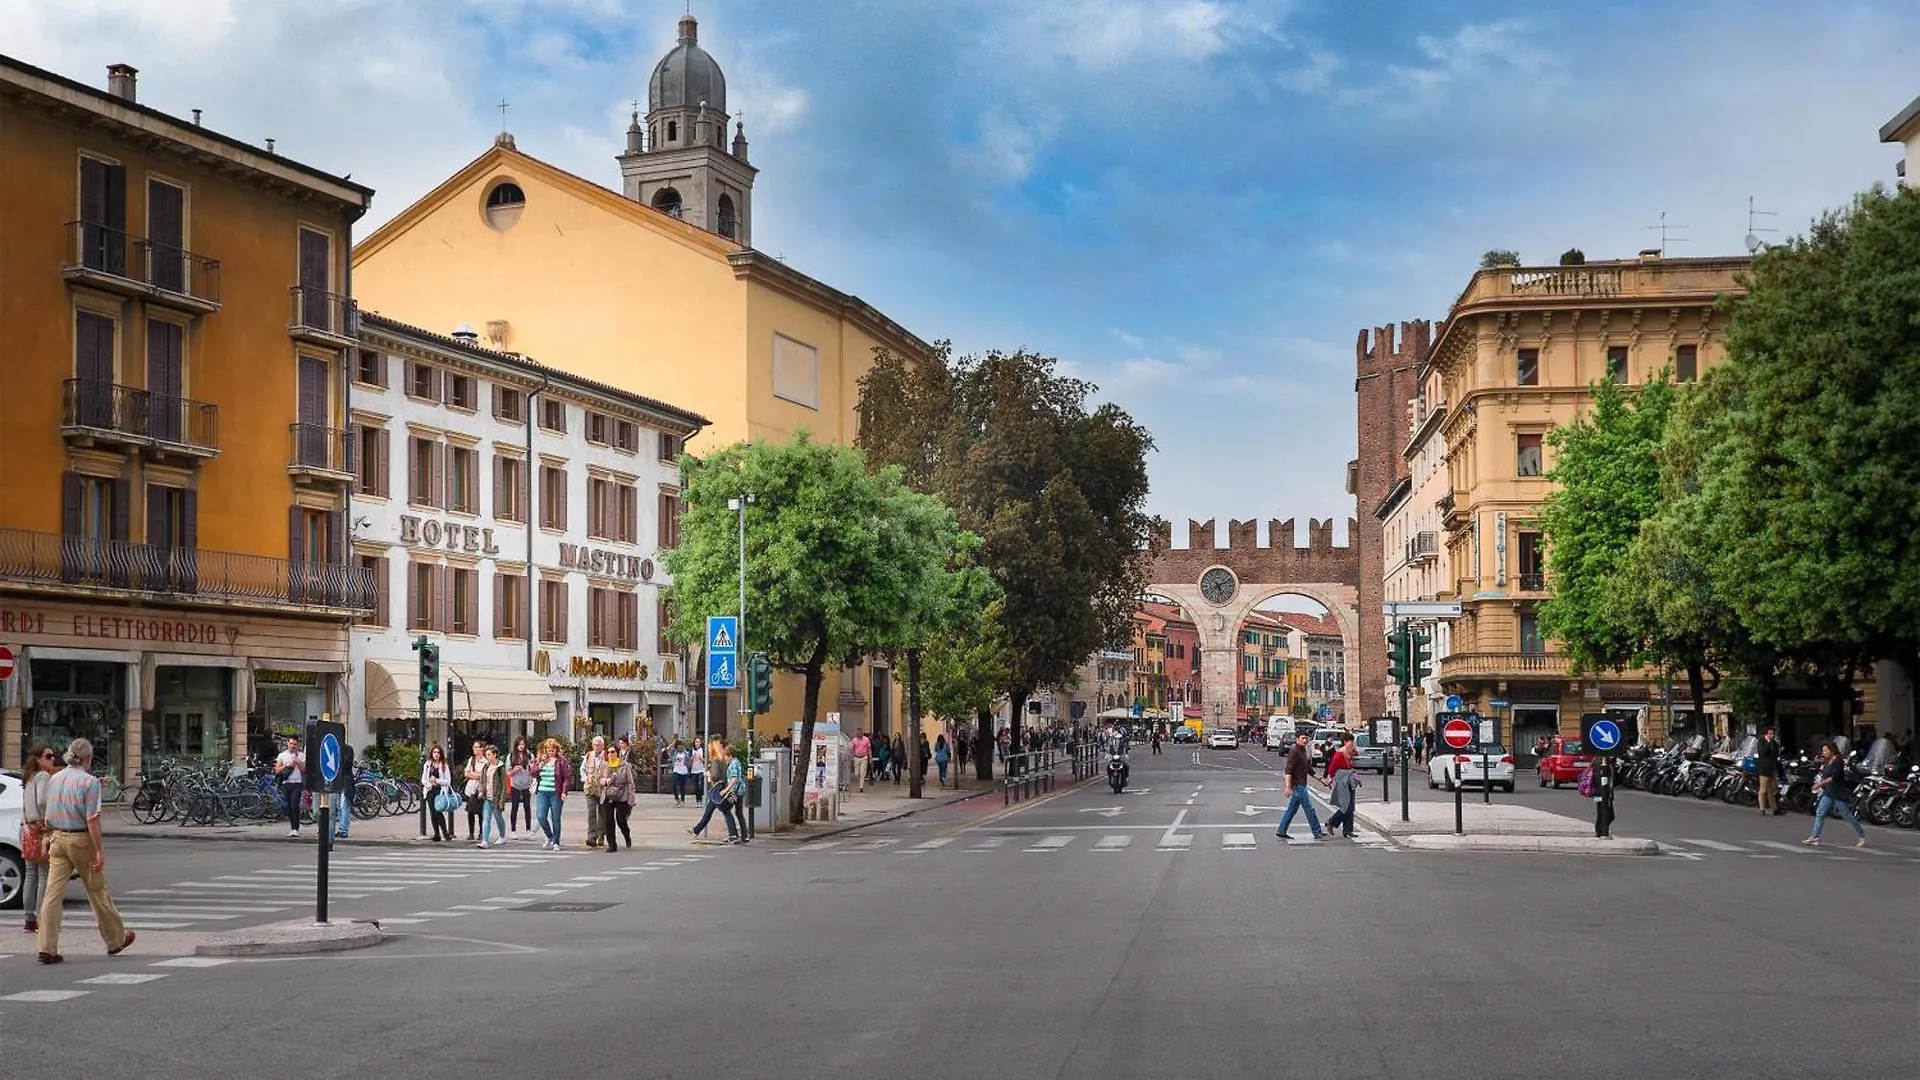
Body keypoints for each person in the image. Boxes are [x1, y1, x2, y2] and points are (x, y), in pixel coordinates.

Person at [35, 739, 134, 965]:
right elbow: (92, 819)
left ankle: (46, 947)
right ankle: (116, 939)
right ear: (88, 758)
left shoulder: (55, 778)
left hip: (57, 837)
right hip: (81, 839)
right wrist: (99, 850)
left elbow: (49, 810)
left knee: (52, 894)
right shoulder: (89, 783)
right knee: (97, 890)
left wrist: (47, 837)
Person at [18, 743, 57, 934]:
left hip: (27, 828)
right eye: (48, 756)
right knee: (43, 874)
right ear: (38, 758)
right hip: (41, 829)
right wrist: (49, 818)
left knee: (30, 874)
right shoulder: (43, 776)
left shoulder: (29, 777)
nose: (52, 759)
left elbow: (26, 805)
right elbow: (42, 801)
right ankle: (42, 917)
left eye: (53, 756)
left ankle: (29, 918)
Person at [1804, 740, 1867, 847]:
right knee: (1820, 813)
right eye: (1823, 751)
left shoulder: (1838, 762)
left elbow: (1833, 778)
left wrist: (1819, 784)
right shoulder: (1827, 761)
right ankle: (1815, 837)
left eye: (1825, 750)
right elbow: (1824, 774)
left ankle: (1861, 835)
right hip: (1828, 793)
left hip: (1838, 794)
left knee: (1847, 815)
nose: (1823, 753)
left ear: (1832, 750)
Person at [1275, 732, 1327, 842]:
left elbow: (1309, 769)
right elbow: (1288, 770)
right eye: (1303, 738)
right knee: (1309, 809)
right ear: (1297, 739)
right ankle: (1317, 832)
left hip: (1301, 784)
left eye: (1306, 738)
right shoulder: (1294, 751)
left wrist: (1322, 779)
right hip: (1298, 785)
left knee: (1292, 810)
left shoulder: (1302, 750)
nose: (1305, 740)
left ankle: (1281, 830)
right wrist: (1287, 787)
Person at [687, 739, 732, 842]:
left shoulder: (716, 760)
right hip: (720, 787)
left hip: (716, 788)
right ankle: (696, 830)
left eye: (710, 748)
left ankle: (733, 834)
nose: (708, 750)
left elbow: (715, 775)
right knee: (710, 811)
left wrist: (708, 775)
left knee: (724, 811)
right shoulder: (722, 760)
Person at [532, 738, 571, 851]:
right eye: (548, 750)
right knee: (541, 816)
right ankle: (550, 836)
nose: (550, 752)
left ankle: (556, 842)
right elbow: (533, 773)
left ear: (556, 749)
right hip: (542, 792)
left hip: (555, 793)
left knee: (555, 818)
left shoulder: (561, 761)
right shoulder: (541, 760)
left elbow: (566, 778)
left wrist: (564, 791)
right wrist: (540, 765)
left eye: (553, 749)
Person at [1322, 733, 1361, 839]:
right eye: (1351, 742)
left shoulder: (1349, 753)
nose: (1352, 744)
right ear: (1345, 742)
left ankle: (1348, 829)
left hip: (1349, 781)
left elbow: (1355, 755)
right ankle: (1331, 822)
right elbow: (1331, 769)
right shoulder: (1339, 754)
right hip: (1342, 782)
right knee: (1346, 806)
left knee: (1351, 806)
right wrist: (1331, 780)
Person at [600, 746, 635, 853]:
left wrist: (631, 799)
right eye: (608, 752)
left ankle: (626, 834)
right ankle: (612, 844)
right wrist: (604, 780)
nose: (610, 754)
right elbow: (599, 778)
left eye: (612, 752)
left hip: (622, 794)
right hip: (608, 794)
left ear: (617, 753)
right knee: (608, 820)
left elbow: (630, 782)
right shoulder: (604, 765)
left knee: (620, 819)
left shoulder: (625, 765)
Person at [421, 744, 455, 842]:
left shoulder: (444, 765)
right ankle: (436, 834)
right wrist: (428, 784)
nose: (436, 754)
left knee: (438, 811)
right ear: (432, 753)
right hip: (430, 790)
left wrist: (437, 780)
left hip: (440, 791)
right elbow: (423, 779)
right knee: (432, 813)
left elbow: (448, 781)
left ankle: (445, 833)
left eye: (438, 753)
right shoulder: (427, 765)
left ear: (441, 754)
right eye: (434, 752)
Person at [274, 735, 305, 838]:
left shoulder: (301, 755)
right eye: (291, 743)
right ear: (287, 743)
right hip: (286, 783)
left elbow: (304, 769)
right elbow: (277, 770)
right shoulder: (282, 755)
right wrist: (286, 766)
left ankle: (295, 828)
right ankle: (292, 827)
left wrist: (298, 762)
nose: (292, 746)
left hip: (297, 783)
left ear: (297, 745)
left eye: (294, 744)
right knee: (289, 806)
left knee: (294, 805)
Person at [477, 745, 507, 849]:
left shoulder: (500, 768)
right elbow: (482, 781)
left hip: (496, 798)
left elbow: (504, 786)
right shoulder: (486, 767)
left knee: (498, 818)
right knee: (486, 819)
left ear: (495, 755)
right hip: (487, 797)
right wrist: (481, 791)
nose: (487, 756)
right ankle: (485, 841)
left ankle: (502, 836)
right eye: (486, 754)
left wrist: (502, 801)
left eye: (489, 754)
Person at [581, 736, 608, 849]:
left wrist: (607, 780)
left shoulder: (607, 756)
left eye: (598, 745)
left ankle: (601, 835)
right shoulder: (588, 756)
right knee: (591, 812)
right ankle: (592, 837)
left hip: (602, 790)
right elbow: (582, 769)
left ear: (602, 746)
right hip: (590, 789)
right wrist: (585, 778)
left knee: (602, 813)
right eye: (595, 745)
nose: (596, 747)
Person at [719, 742, 748, 844]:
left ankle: (733, 835)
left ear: (730, 755)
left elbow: (734, 779)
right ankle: (745, 835)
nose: (725, 759)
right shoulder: (737, 762)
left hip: (734, 792)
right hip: (739, 791)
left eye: (726, 756)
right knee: (739, 813)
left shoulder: (733, 764)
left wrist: (725, 790)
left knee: (725, 809)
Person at [507, 738, 535, 839]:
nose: (521, 746)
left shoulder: (530, 755)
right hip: (515, 784)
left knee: (527, 807)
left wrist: (531, 766)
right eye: (519, 744)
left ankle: (528, 830)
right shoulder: (511, 756)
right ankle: (513, 830)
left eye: (523, 744)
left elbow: (534, 770)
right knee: (514, 807)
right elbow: (508, 773)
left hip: (526, 784)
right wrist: (514, 771)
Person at [462, 741, 487, 842]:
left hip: (480, 789)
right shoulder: (471, 760)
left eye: (477, 747)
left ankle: (481, 833)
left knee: (480, 812)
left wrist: (474, 774)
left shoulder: (485, 761)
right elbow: (466, 773)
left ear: (482, 748)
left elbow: (485, 775)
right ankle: (471, 833)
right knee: (470, 810)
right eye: (474, 747)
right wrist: (476, 775)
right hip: (470, 788)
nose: (474, 749)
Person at [1756, 726, 1783, 816]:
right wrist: (1768, 743)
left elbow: (1776, 757)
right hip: (1764, 769)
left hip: (1772, 770)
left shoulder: (1774, 743)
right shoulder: (1761, 742)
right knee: (1763, 790)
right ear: (1766, 734)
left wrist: (1779, 770)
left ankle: (1774, 808)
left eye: (1773, 734)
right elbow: (1762, 752)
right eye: (1770, 734)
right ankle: (1762, 808)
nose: (1772, 736)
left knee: (1772, 790)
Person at [669, 738, 693, 805]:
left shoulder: (686, 753)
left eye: (681, 746)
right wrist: (673, 743)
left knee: (682, 787)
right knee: (674, 785)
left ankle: (682, 800)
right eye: (678, 746)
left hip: (684, 772)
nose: (680, 747)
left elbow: (689, 764)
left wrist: (687, 762)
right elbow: (667, 750)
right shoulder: (674, 752)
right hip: (676, 771)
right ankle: (677, 798)